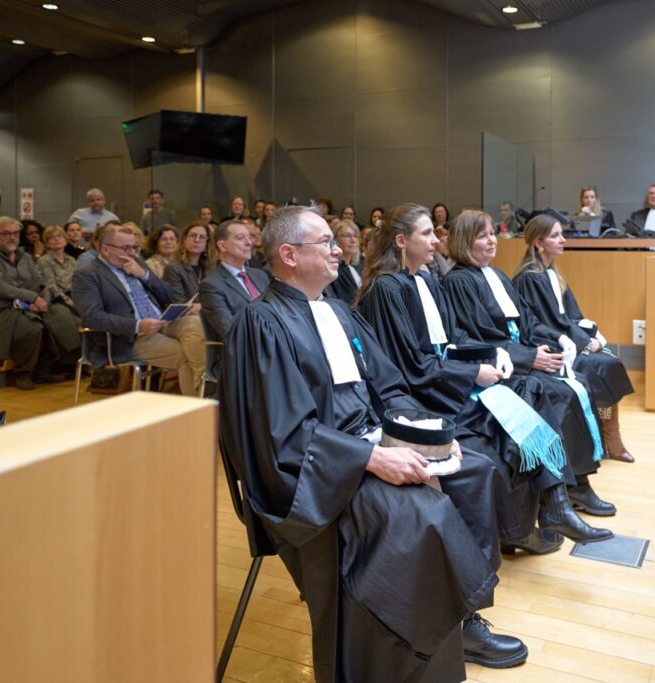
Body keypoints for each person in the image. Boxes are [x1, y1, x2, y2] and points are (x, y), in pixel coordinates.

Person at [219, 205, 527, 678]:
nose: (338, 249)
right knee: (425, 512)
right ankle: (406, 657)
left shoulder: (340, 312)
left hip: (368, 445)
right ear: (289, 254)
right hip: (316, 473)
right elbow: (281, 436)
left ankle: (459, 620)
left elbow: (390, 388)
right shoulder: (261, 324)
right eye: (325, 242)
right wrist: (370, 459)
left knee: (475, 471)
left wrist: (430, 434)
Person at [357, 204, 612, 551]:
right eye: (427, 233)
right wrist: (472, 371)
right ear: (401, 241)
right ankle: (532, 521)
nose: (436, 239)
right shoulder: (388, 289)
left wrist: (495, 356)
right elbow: (411, 364)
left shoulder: (426, 280)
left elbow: (454, 337)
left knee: (529, 394)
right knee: (513, 417)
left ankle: (554, 506)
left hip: (447, 376)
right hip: (426, 392)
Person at [443, 210, 619, 522]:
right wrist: (528, 357)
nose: (492, 241)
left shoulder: (496, 275)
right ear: (463, 241)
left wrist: (554, 339)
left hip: (521, 354)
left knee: (577, 384)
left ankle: (578, 483)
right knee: (558, 394)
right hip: (503, 365)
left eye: (492, 234)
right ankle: (563, 494)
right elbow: (471, 338)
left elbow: (528, 321)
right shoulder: (458, 281)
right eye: (482, 236)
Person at [513, 215, 637, 468]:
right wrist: (581, 342)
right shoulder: (529, 278)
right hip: (553, 345)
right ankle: (605, 439)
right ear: (539, 242)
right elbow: (544, 323)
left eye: (562, 234)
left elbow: (571, 316)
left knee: (608, 362)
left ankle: (609, 436)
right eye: (556, 235)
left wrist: (592, 336)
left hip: (569, 339)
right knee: (600, 366)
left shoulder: (553, 273)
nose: (563, 239)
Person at [71, 223, 206, 397]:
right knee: (186, 356)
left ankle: (206, 387)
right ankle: (201, 405)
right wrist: (137, 325)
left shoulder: (137, 263)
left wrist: (144, 275)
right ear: (105, 249)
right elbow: (92, 317)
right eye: (126, 248)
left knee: (195, 323)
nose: (132, 253)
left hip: (161, 321)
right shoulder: (87, 274)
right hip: (127, 337)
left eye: (134, 247)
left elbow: (169, 296)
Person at [0, 216, 81, 390]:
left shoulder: (24, 256)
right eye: (6, 233)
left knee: (61, 316)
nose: (12, 237)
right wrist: (32, 298)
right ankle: (24, 372)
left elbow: (41, 282)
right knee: (32, 327)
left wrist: (43, 300)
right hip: (2, 307)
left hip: (32, 303)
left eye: (15, 233)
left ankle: (49, 367)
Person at [198, 220, 270, 384]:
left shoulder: (260, 276)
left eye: (249, 237)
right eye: (240, 238)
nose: (249, 242)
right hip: (242, 354)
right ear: (222, 246)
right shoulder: (211, 284)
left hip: (270, 348)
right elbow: (230, 330)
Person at [163, 223, 215, 303]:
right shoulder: (174, 269)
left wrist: (200, 306)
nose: (197, 240)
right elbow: (179, 305)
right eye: (193, 236)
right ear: (184, 240)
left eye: (202, 237)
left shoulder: (212, 269)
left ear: (207, 243)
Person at [35, 225, 78, 311]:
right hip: (57, 301)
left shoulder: (71, 260)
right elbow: (52, 288)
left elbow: (78, 282)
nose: (56, 239)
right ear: (47, 243)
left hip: (75, 297)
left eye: (59, 236)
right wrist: (71, 303)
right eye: (51, 237)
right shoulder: (44, 261)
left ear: (65, 241)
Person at [324, 219, 363, 304]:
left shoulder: (357, 268)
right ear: (335, 240)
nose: (353, 240)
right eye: (347, 236)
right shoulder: (333, 269)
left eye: (356, 236)